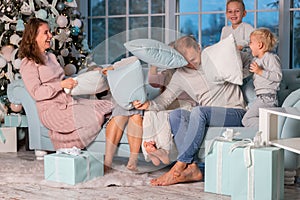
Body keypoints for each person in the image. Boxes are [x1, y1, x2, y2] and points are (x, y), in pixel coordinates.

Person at [133, 35, 246, 186]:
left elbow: (246, 61)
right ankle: (192, 167)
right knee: (176, 115)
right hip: (208, 115)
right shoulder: (181, 75)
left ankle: (178, 166)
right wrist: (147, 104)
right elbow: (164, 100)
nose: (191, 65)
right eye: (187, 62)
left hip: (234, 112)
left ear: (199, 48)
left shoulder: (214, 58)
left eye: (193, 59)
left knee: (198, 112)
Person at [18, 18, 113, 150]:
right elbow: (37, 93)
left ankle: (69, 140)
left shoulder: (50, 57)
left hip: (69, 102)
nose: (50, 36)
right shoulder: (28, 63)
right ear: (34, 36)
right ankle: (65, 144)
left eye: (49, 32)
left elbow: (64, 79)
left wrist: (96, 74)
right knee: (94, 116)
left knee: (108, 106)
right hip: (51, 110)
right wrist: (61, 85)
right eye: (46, 32)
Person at [102, 56, 144, 172]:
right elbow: (134, 58)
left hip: (136, 98)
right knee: (121, 114)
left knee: (136, 115)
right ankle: (108, 161)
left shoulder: (131, 71)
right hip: (119, 100)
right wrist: (110, 70)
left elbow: (134, 59)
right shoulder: (103, 77)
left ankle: (132, 161)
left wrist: (113, 68)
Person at [242, 28, 282, 127]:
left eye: (251, 42)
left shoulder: (271, 58)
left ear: (259, 45)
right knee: (248, 116)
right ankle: (266, 130)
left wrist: (260, 71)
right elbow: (248, 73)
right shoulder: (256, 60)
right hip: (261, 98)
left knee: (246, 120)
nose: (249, 45)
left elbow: (278, 76)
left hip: (268, 98)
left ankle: (268, 128)